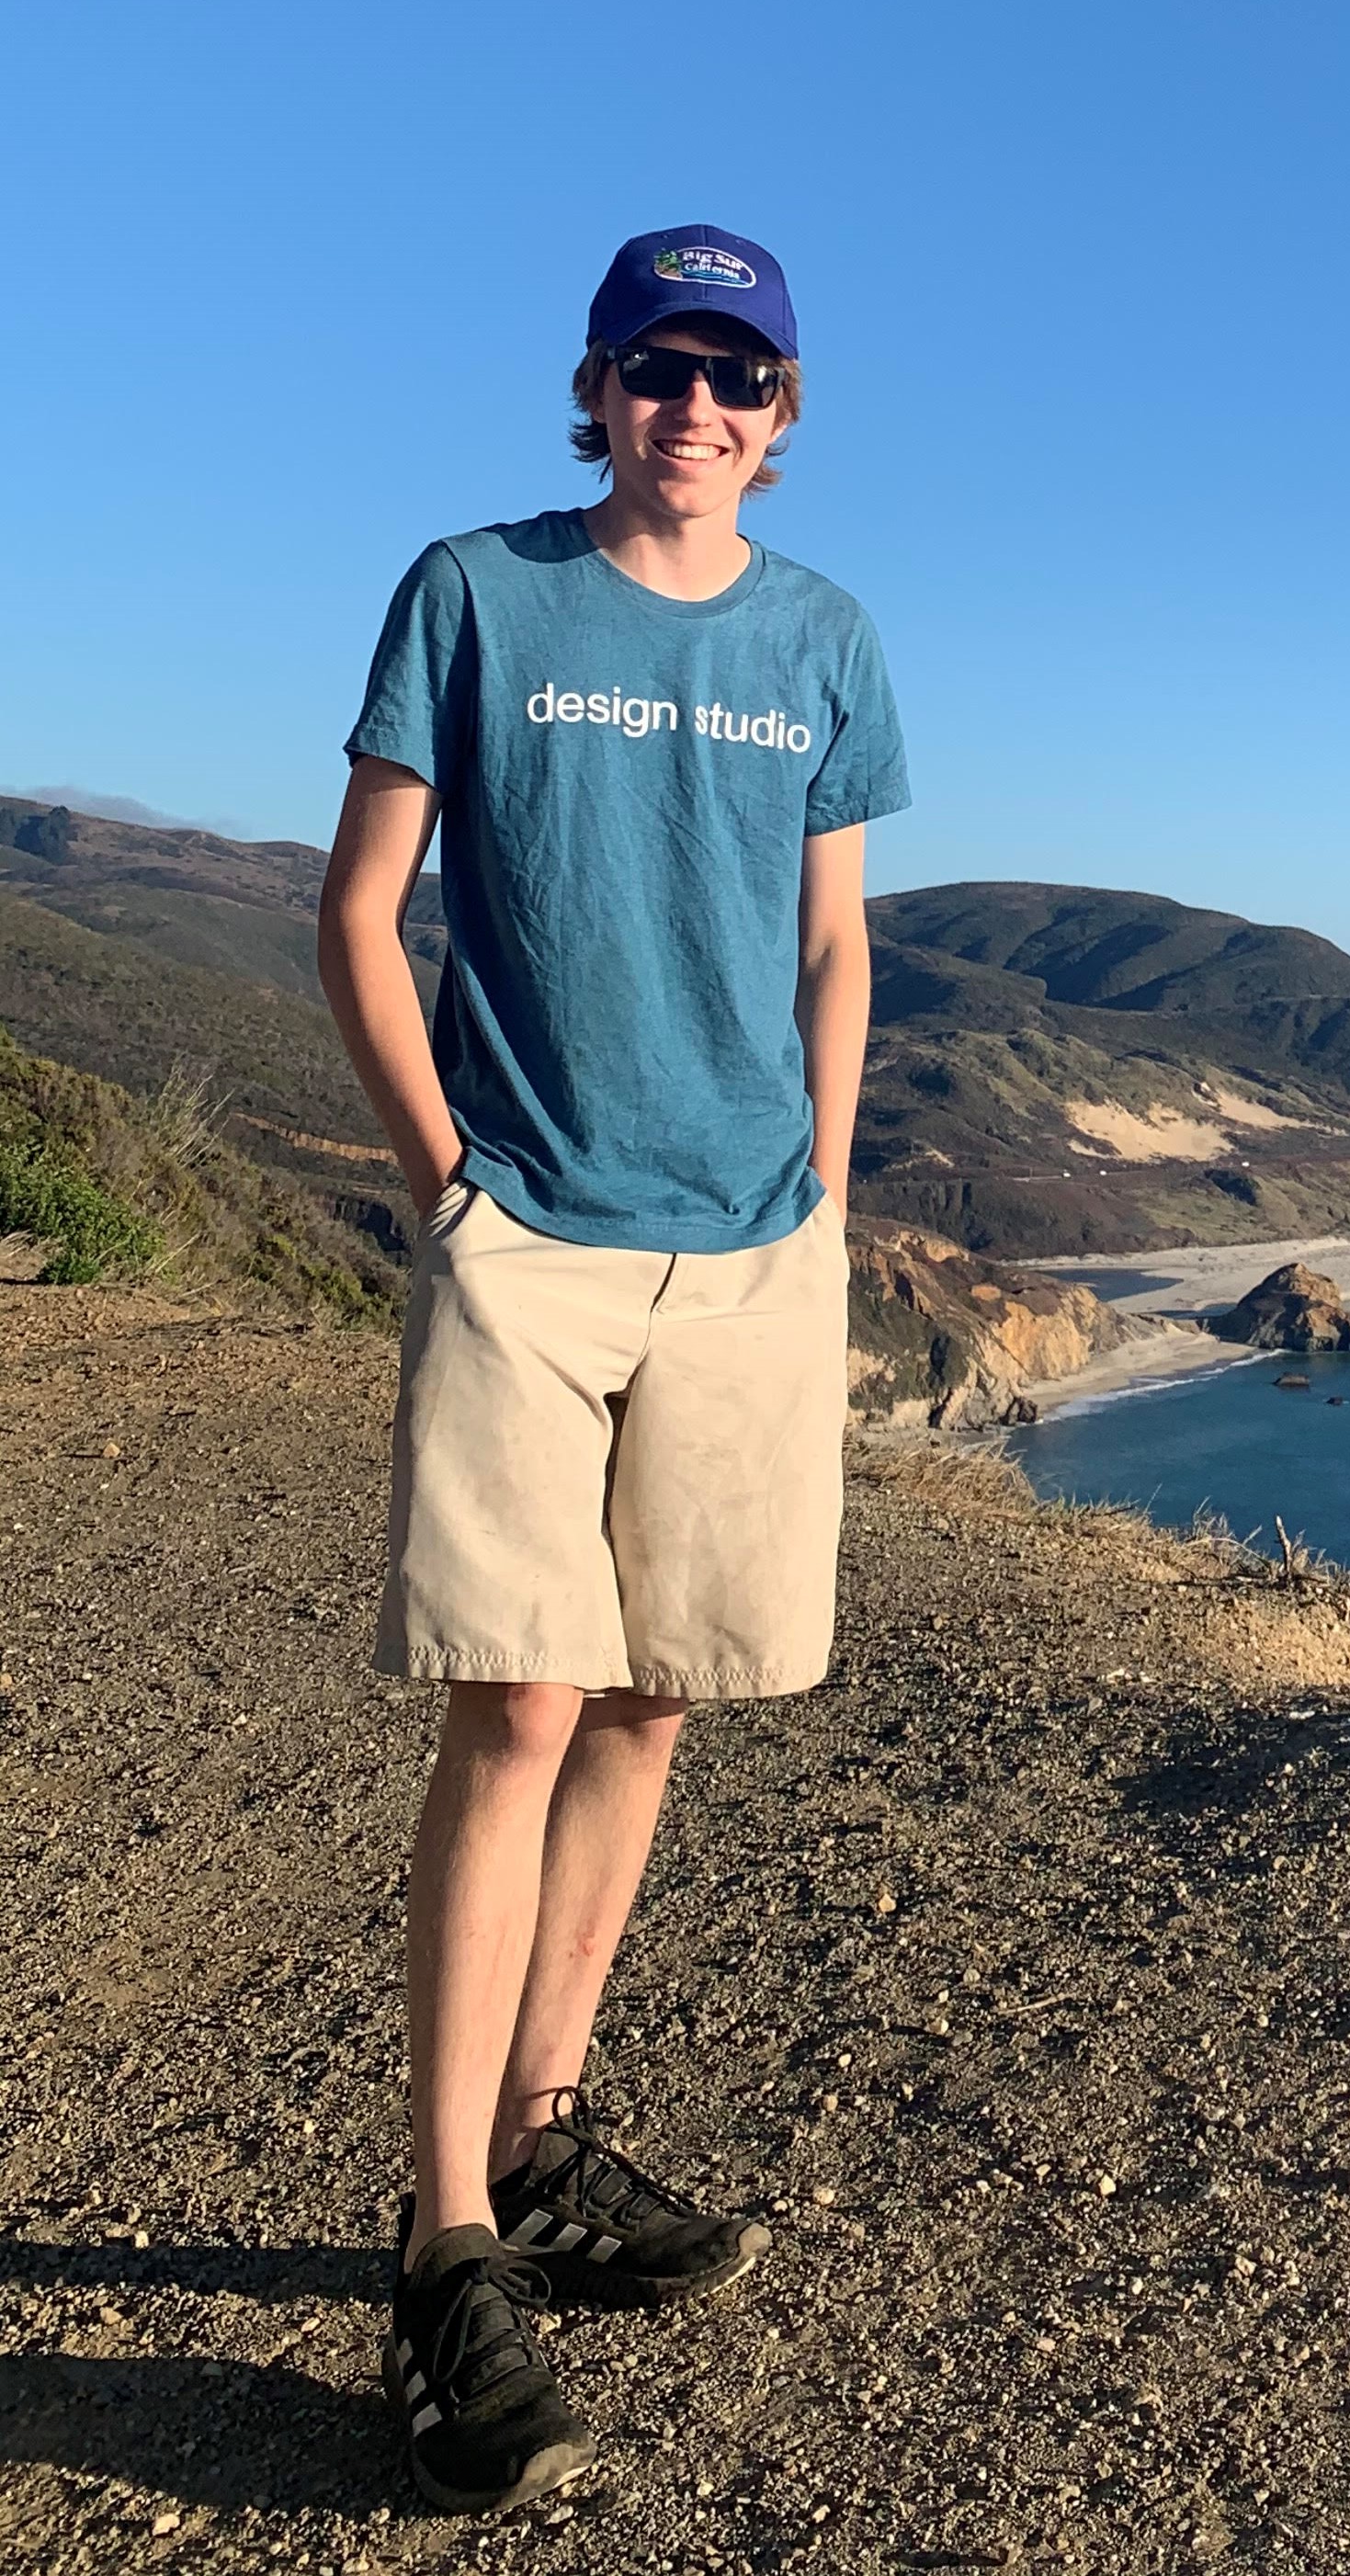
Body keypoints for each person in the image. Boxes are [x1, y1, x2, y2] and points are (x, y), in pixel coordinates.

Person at [317, 224, 908, 2514]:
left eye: (734, 370)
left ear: (780, 413)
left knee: (659, 1692)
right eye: (658, 364)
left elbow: (834, 931)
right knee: (518, 1700)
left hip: (754, 1245)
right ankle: (444, 2231)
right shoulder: (476, 591)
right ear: (595, 388)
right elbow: (362, 905)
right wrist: (447, 1173)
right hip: (532, 1237)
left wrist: (828, 1191)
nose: (694, 402)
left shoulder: (825, 636)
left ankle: (547, 2133)